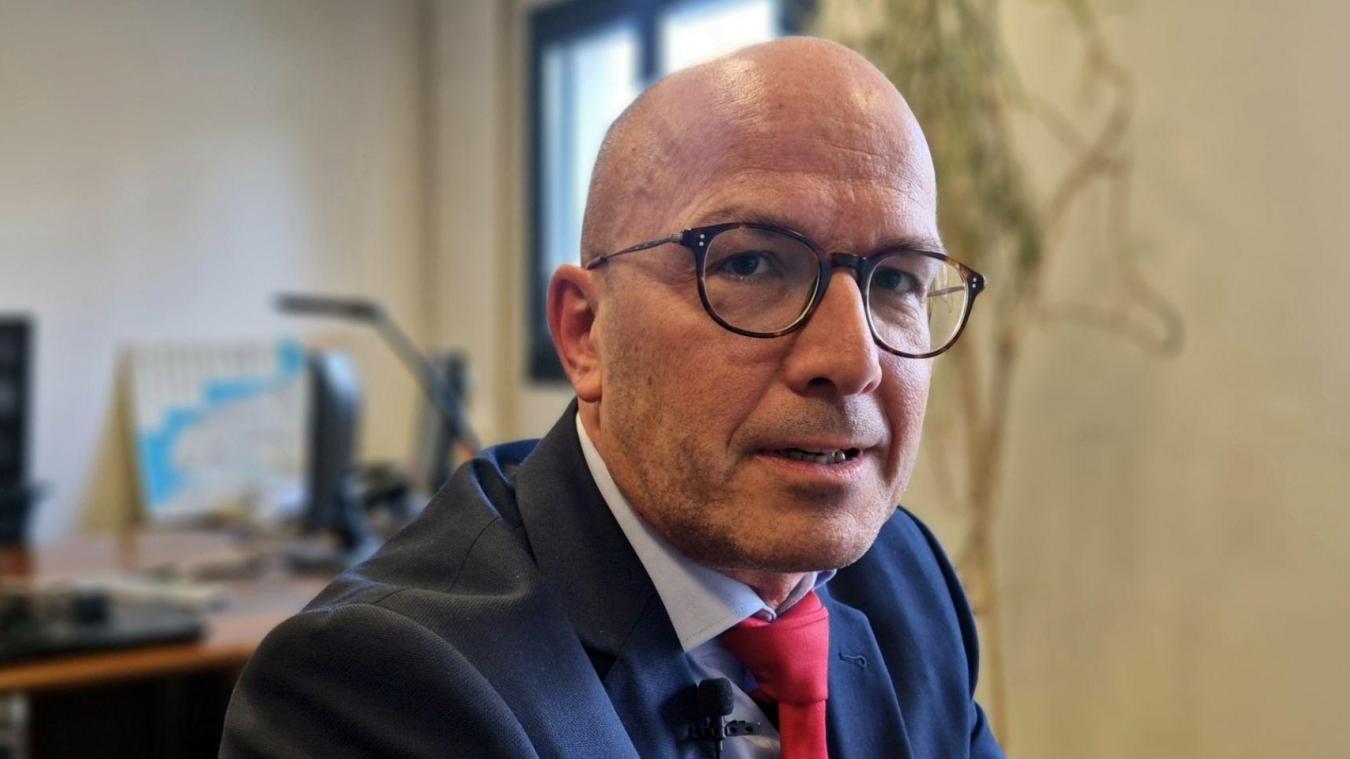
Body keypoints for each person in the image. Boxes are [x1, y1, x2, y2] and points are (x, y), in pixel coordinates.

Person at [221, 37, 1004, 759]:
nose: (853, 360)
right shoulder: (379, 683)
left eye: (896, 279)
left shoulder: (907, 582)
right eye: (751, 264)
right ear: (586, 333)